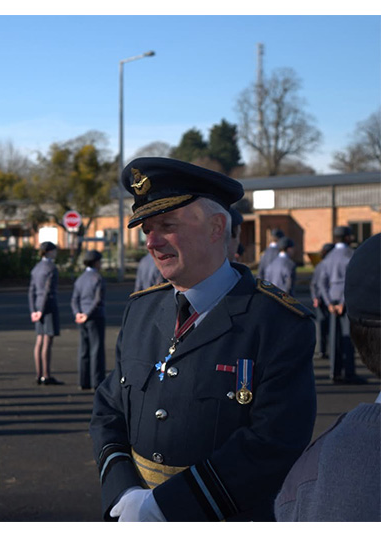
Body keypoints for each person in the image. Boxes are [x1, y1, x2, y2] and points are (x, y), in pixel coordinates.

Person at [90, 157, 317, 522]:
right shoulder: (141, 311)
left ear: (216, 228)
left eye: (166, 225)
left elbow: (274, 442)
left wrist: (165, 507)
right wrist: (126, 494)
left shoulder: (278, 323)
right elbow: (108, 409)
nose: (151, 242)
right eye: (146, 229)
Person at [275, 233, 381, 521]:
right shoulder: (346, 257)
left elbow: (318, 279)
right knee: (340, 346)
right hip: (343, 304)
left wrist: (324, 298)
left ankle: (336, 370)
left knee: (334, 346)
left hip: (338, 303)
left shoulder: (317, 465)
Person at [318, 226, 366, 384]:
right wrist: (344, 302)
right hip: (346, 301)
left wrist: (329, 303)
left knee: (334, 339)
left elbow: (322, 282)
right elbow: (354, 281)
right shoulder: (351, 254)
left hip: (331, 300)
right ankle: (349, 373)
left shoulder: (328, 257)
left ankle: (335, 372)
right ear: (347, 238)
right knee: (348, 339)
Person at [71, 250, 106, 391]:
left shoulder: (80, 278)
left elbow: (74, 299)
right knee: (96, 349)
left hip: (81, 318)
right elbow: (98, 300)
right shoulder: (98, 278)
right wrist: (87, 314)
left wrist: (78, 313)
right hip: (95, 317)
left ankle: (83, 381)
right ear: (96, 262)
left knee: (84, 350)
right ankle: (96, 381)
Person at [28, 241, 62, 385]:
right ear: (49, 252)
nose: (55, 253)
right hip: (48, 307)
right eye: (54, 251)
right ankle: (46, 375)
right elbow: (48, 291)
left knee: (39, 340)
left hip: (36, 306)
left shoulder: (36, 268)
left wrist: (33, 310)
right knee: (47, 341)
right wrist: (41, 311)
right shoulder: (51, 268)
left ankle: (38, 374)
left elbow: (31, 291)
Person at [310, 243, 335, 359]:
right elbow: (315, 283)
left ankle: (323, 350)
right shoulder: (327, 265)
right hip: (329, 299)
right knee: (330, 327)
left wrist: (315, 297)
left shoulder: (320, 265)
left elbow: (313, 284)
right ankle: (329, 350)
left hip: (321, 299)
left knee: (322, 326)